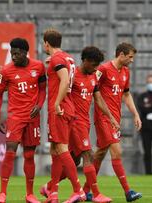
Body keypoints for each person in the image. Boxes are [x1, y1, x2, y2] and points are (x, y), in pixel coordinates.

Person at [40, 46, 119, 203]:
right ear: (85, 61)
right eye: (94, 64)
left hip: (84, 122)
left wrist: (110, 117)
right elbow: (58, 80)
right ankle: (94, 194)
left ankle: (49, 187)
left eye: (98, 65)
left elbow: (98, 99)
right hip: (74, 121)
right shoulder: (72, 74)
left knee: (74, 161)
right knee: (88, 154)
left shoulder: (92, 77)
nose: (96, 68)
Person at [0, 38, 46, 203]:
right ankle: (2, 193)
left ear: (25, 52)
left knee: (29, 155)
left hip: (32, 117)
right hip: (15, 117)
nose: (13, 56)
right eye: (12, 53)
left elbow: (43, 89)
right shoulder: (6, 71)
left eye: (16, 53)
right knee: (10, 151)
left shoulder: (38, 67)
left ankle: (29, 194)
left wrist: (39, 105)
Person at [89, 42, 142, 202]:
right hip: (104, 118)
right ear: (121, 55)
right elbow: (92, 88)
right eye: (130, 57)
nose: (132, 60)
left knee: (99, 153)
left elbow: (126, 94)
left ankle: (85, 190)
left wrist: (135, 114)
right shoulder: (103, 69)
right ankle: (128, 192)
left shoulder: (125, 72)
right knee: (117, 151)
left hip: (115, 119)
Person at [42, 28, 85, 203]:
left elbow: (65, 80)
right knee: (54, 149)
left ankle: (78, 190)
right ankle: (53, 193)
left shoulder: (58, 59)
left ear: (46, 43)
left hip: (60, 108)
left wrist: (57, 103)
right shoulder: (66, 58)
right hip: (67, 107)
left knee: (61, 149)